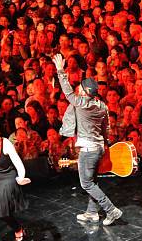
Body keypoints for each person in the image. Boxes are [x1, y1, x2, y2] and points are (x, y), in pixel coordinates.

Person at [52, 54, 122, 226]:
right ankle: (92, 212)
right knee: (93, 180)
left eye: (81, 88)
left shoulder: (82, 103)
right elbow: (106, 128)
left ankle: (111, 210)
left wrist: (60, 70)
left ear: (84, 92)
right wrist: (105, 144)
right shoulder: (102, 106)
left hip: (89, 150)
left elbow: (67, 91)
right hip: (98, 147)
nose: (78, 90)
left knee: (86, 184)